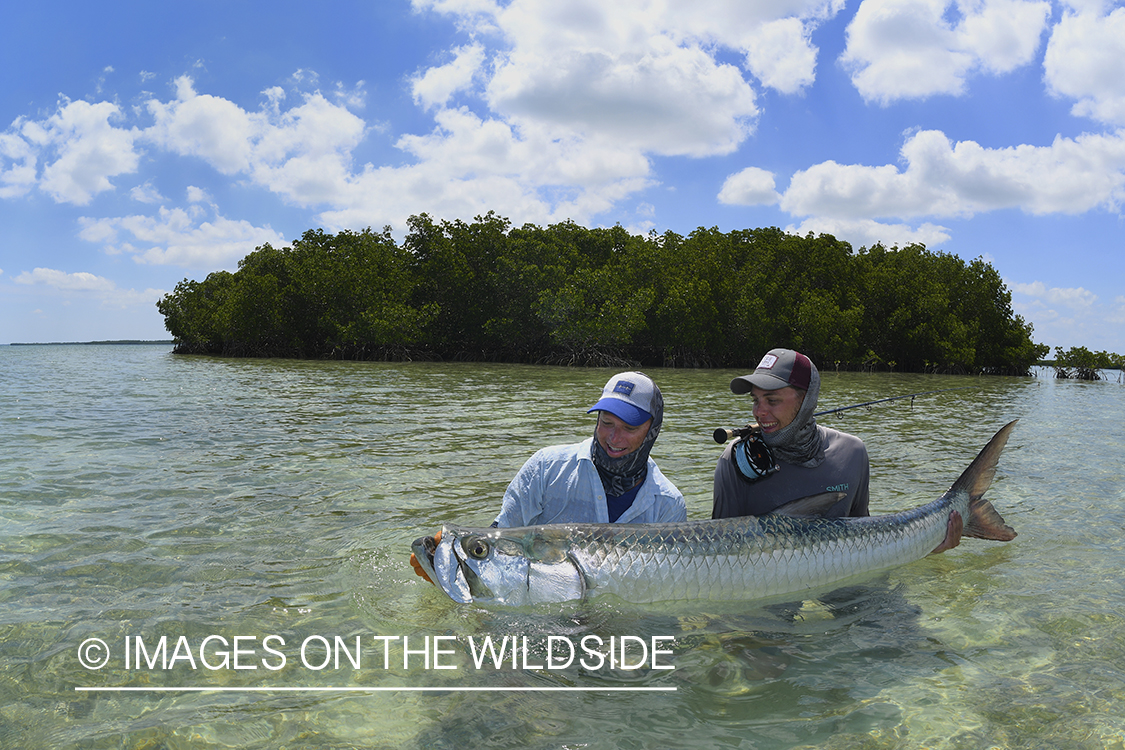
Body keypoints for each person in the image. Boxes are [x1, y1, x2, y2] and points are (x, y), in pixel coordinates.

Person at [712, 348, 962, 553]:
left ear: (806, 400)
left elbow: (865, 539)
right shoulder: (733, 462)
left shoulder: (852, 452)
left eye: (772, 400)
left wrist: (928, 546)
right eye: (755, 400)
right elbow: (718, 556)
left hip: (840, 577)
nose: (759, 412)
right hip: (765, 584)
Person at [491, 370, 686, 527]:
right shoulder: (546, 468)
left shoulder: (669, 505)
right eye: (607, 422)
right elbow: (501, 536)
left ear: (652, 431)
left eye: (630, 428)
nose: (614, 438)